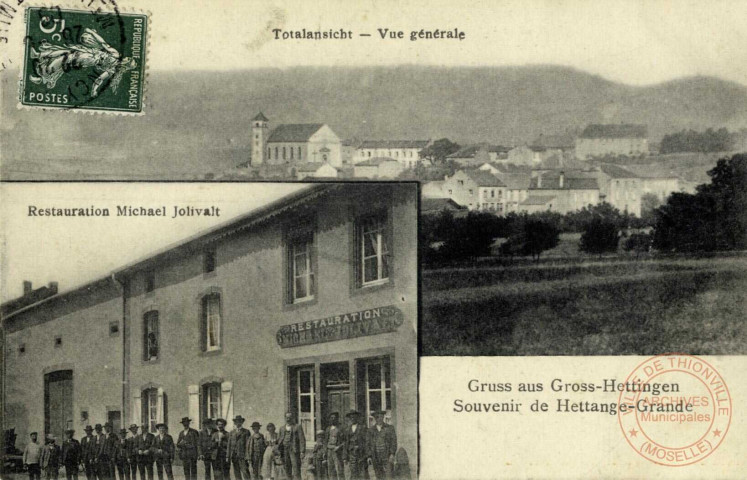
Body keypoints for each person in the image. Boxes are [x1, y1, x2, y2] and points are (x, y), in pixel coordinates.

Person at [28, 27, 137, 98]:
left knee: (65, 59)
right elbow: (103, 43)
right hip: (90, 52)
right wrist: (91, 33)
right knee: (66, 52)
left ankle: (42, 78)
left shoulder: (112, 70)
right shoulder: (116, 54)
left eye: (128, 60)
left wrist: (94, 90)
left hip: (89, 59)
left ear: (126, 64)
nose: (126, 58)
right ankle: (38, 57)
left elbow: (99, 79)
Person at [366, 412, 397, 480]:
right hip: (376, 457)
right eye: (377, 417)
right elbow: (367, 444)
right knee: (378, 475)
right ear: (374, 418)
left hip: (387, 456)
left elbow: (393, 442)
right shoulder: (370, 430)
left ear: (383, 417)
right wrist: (369, 456)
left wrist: (392, 454)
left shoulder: (390, 428)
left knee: (389, 476)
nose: (379, 419)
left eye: (380, 417)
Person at [277, 412, 305, 480]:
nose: (288, 419)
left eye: (290, 417)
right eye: (287, 417)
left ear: (292, 418)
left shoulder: (297, 427)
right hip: (284, 450)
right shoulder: (282, 428)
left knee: (296, 469)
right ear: (285, 418)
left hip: (294, 450)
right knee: (287, 468)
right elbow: (279, 440)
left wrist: (302, 451)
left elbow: (302, 439)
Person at [343, 411, 368, 480]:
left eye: (354, 417)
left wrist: (360, 446)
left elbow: (367, 441)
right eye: (351, 417)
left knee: (362, 472)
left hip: (361, 454)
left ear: (357, 418)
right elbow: (345, 443)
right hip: (351, 454)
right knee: (353, 472)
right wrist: (345, 457)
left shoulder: (363, 428)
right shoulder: (347, 429)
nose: (353, 419)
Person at [323, 413, 344, 480]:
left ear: (337, 419)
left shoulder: (341, 428)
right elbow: (325, 441)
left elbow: (345, 441)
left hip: (337, 451)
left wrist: (339, 447)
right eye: (331, 418)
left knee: (339, 469)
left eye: (334, 418)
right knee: (330, 470)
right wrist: (324, 452)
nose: (333, 419)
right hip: (329, 451)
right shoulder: (328, 429)